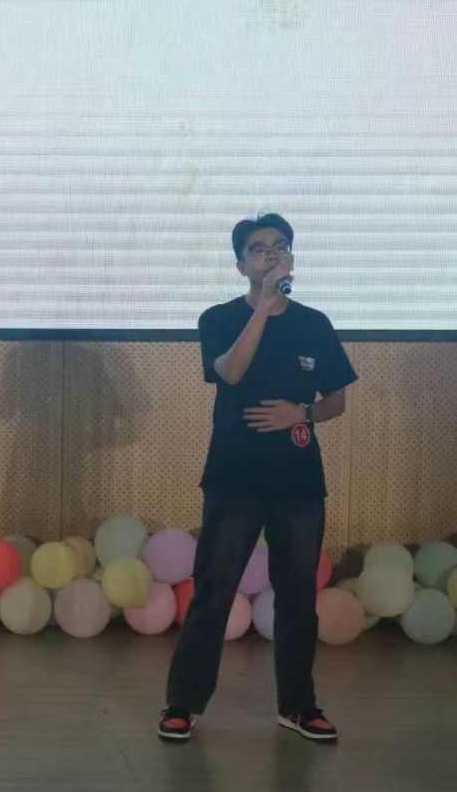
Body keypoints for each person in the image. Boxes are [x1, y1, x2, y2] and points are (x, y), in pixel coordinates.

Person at [159, 214, 356, 742]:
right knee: (213, 593)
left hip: (298, 483)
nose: (270, 254)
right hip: (234, 478)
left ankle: (299, 707)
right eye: (259, 248)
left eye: (279, 246)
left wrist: (302, 414)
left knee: (298, 598)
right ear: (241, 265)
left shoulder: (314, 324)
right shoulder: (219, 318)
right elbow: (231, 372)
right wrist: (265, 308)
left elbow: (336, 399)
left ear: (291, 257)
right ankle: (183, 705)